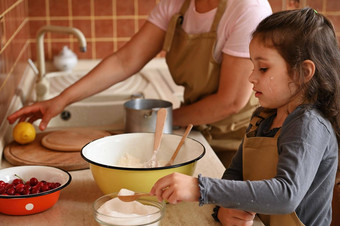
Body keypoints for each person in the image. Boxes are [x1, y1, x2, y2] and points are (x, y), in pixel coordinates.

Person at [7, 0, 272, 166]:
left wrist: (161, 119)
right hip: (198, 129)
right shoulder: (176, 6)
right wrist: (60, 100)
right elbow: (125, 61)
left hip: (241, 140)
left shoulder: (247, 8)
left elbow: (230, 101)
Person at [150, 8, 340, 226]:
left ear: (304, 72)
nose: (251, 77)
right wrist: (222, 209)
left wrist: (200, 188)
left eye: (263, 68)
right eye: (253, 66)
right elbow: (235, 173)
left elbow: (286, 195)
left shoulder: (309, 125)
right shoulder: (262, 117)